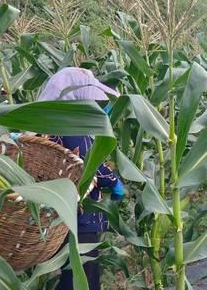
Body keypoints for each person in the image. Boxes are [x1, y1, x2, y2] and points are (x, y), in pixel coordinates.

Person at [38, 67, 125, 290]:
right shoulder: (70, 124)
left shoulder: (43, 123)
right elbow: (88, 163)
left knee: (70, 272)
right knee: (83, 278)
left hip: (56, 213)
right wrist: (113, 181)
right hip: (80, 215)